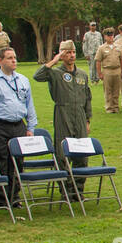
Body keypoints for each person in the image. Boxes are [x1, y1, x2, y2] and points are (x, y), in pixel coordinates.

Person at [0, 46, 37, 204]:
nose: (14, 60)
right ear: (0, 60)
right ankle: (3, 198)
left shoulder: (23, 80)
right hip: (0, 126)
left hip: (19, 125)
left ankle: (15, 196)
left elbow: (29, 105)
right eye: (9, 58)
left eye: (15, 57)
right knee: (2, 162)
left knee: (18, 161)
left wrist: (30, 127)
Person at [35, 39, 92, 185]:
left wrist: (87, 120)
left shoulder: (82, 74)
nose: (72, 55)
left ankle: (78, 189)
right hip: (62, 113)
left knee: (82, 153)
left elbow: (87, 98)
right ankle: (66, 189)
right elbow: (38, 76)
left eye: (73, 52)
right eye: (67, 53)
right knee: (62, 153)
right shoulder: (55, 73)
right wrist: (53, 61)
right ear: (61, 55)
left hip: (79, 114)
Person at [96, 29, 122, 113]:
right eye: (108, 36)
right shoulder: (101, 48)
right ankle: (109, 107)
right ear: (105, 37)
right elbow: (98, 61)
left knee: (116, 90)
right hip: (107, 70)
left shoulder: (118, 47)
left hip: (117, 70)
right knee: (108, 90)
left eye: (112, 35)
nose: (110, 37)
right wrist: (99, 73)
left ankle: (115, 106)